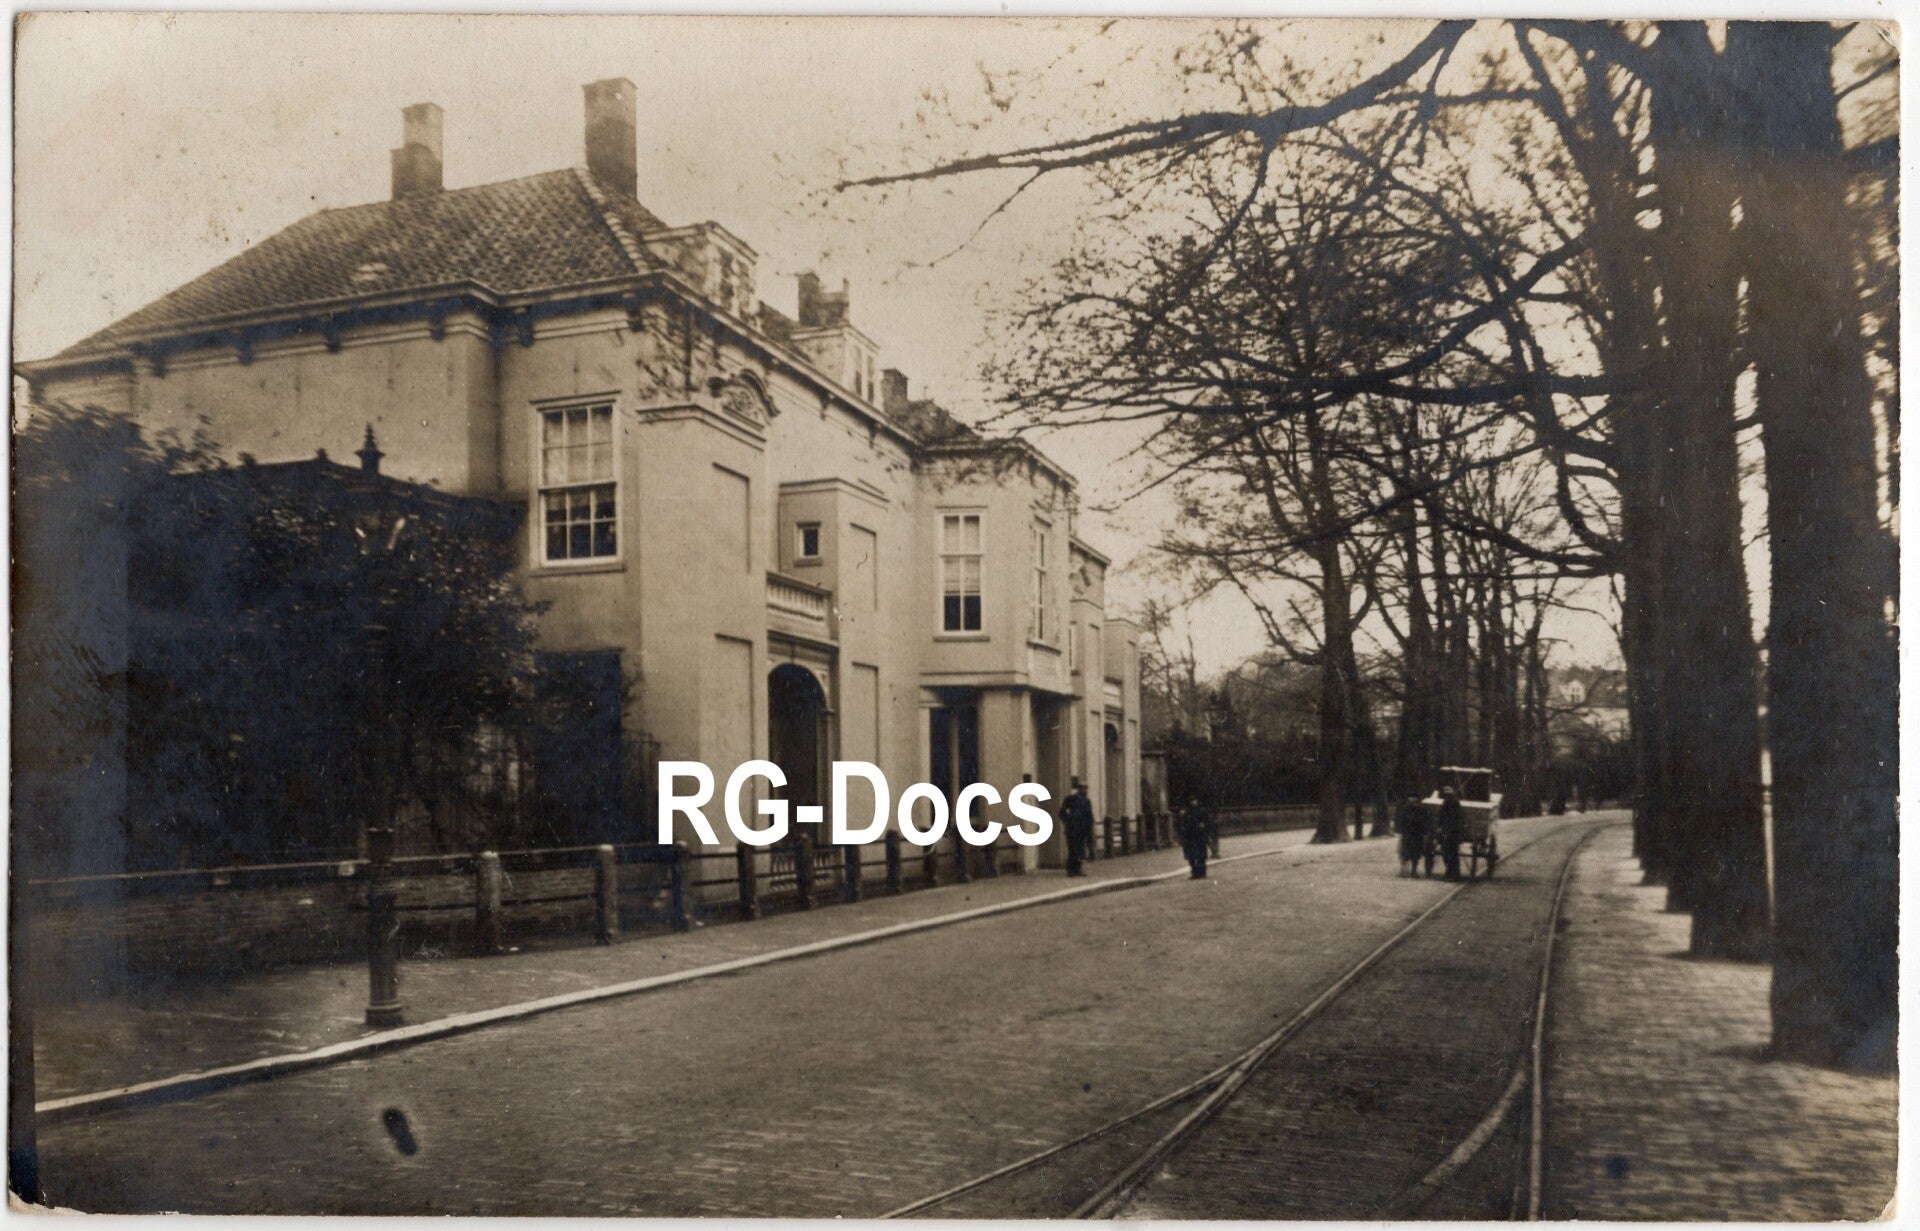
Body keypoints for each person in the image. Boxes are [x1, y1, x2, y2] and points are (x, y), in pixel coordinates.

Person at [1061, 778, 1095, 877]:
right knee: (1072, 850)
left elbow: (1089, 815)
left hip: (1083, 829)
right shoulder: (1070, 799)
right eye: (1082, 789)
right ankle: (1071, 870)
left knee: (1080, 850)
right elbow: (1062, 812)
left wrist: (1090, 826)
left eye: (1086, 789)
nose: (1084, 791)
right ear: (1078, 789)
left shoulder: (1087, 801)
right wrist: (1068, 821)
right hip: (1072, 829)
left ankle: (1078, 869)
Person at [1177, 798, 1212, 879]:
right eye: (1192, 800)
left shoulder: (1202, 811)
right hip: (1190, 837)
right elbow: (1182, 824)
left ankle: (1202, 872)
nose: (1194, 802)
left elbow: (1207, 822)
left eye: (1195, 800)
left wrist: (1204, 827)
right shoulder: (1186, 812)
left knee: (1201, 856)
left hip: (1200, 836)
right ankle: (1194, 872)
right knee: (1191, 857)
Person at [1395, 795, 1429, 877]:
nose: (1412, 802)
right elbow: (1400, 820)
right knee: (1405, 853)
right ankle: (1404, 871)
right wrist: (1400, 830)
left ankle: (1413, 871)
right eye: (1411, 801)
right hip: (1408, 834)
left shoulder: (1421, 810)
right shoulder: (1404, 809)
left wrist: (1424, 832)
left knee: (1415, 854)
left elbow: (1424, 821)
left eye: (1414, 801)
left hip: (1417, 835)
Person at [1436, 785, 1464, 881]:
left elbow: (1453, 818)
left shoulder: (1454, 802)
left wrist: (1443, 828)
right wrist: (1440, 826)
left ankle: (1454, 874)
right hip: (1446, 832)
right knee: (1446, 853)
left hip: (1453, 832)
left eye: (1448, 791)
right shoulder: (1446, 802)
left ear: (1452, 792)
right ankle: (1449, 872)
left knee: (1451, 853)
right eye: (1445, 791)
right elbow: (1441, 815)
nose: (1446, 793)